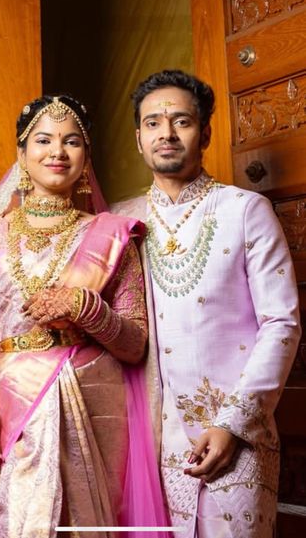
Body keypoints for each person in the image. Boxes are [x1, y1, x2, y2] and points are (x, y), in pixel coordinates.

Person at [0, 94, 168, 538]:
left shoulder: (111, 235)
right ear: (22, 155)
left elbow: (136, 344)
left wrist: (86, 308)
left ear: (87, 157)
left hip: (94, 402)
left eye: (72, 141)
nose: (57, 152)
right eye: (43, 140)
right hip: (12, 405)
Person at [113, 69, 301, 538]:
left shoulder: (245, 210)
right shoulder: (120, 220)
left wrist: (233, 425)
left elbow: (281, 323)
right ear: (138, 138)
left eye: (181, 121)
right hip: (150, 447)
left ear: (206, 132)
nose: (167, 133)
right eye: (153, 122)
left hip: (237, 436)